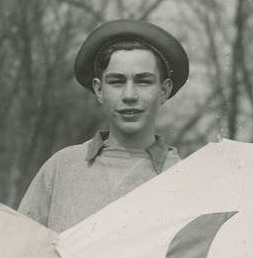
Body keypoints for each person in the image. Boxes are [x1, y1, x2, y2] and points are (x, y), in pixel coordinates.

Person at [18, 19, 188, 233]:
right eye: (116, 82)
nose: (129, 96)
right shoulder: (62, 168)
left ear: (164, 91)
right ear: (99, 90)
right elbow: (20, 251)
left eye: (143, 81)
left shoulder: (184, 176)